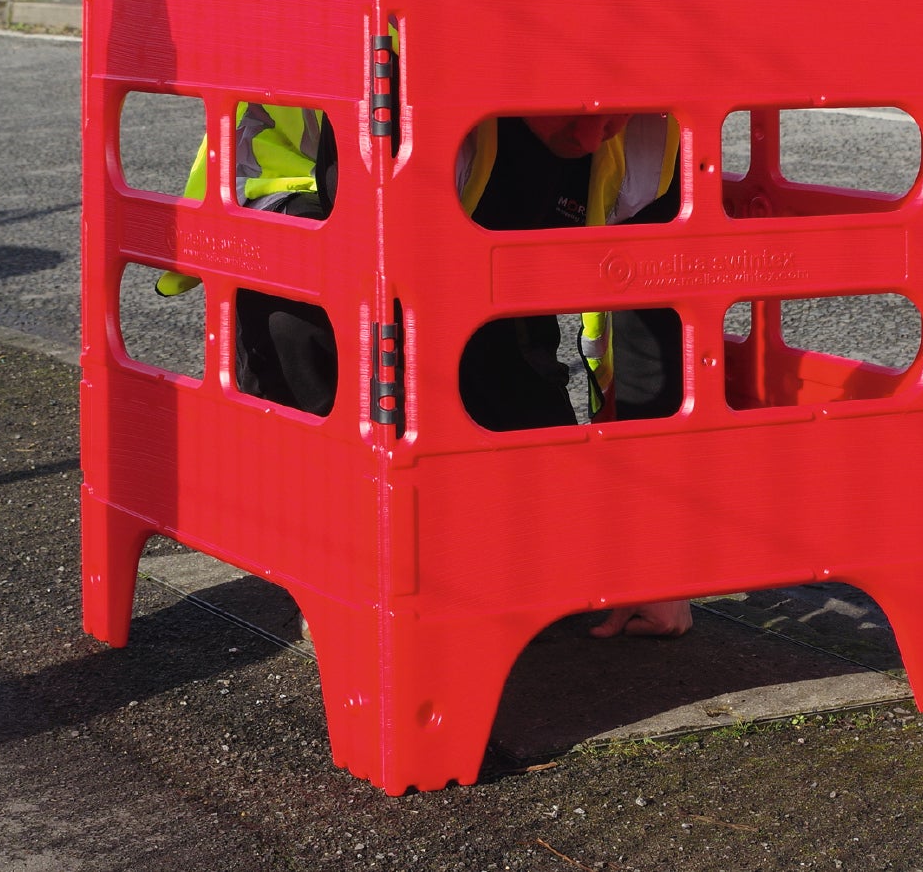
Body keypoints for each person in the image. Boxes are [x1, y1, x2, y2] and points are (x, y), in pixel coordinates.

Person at [156, 102, 692, 638]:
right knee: (308, 327)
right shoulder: (405, 90)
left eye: (616, 114)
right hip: (313, 224)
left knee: (538, 559)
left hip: (482, 275)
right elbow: (379, 310)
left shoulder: (652, 138)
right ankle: (336, 559)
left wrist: (655, 557)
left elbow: (653, 324)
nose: (592, 132)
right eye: (569, 108)